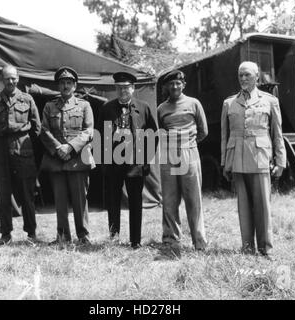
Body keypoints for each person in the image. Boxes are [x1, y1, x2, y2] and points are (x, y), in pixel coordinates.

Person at [221, 61, 286, 259]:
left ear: (257, 76)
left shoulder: (269, 101)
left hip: (260, 158)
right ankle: (247, 248)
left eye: (247, 75)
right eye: (240, 75)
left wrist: (281, 160)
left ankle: (266, 248)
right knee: (243, 206)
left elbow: (277, 133)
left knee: (263, 205)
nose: (243, 79)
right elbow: (224, 135)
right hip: (237, 159)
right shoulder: (229, 103)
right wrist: (225, 162)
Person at [97, 72, 158, 249]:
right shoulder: (107, 108)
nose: (123, 91)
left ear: (133, 88)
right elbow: (98, 136)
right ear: (115, 89)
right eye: (119, 87)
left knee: (135, 202)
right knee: (113, 200)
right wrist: (104, 161)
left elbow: (153, 136)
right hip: (113, 163)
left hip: (135, 163)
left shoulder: (144, 107)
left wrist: (145, 160)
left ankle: (135, 241)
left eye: (126, 87)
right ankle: (114, 238)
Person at [40, 66, 95, 246]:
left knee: (80, 200)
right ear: (58, 85)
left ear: (74, 85)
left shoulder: (84, 105)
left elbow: (89, 131)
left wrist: (70, 147)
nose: (65, 86)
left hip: (78, 160)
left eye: (69, 83)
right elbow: (44, 130)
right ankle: (63, 236)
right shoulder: (49, 106)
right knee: (60, 201)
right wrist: (58, 148)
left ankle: (83, 236)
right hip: (56, 160)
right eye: (62, 83)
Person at [0, 65, 41, 245]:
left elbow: (37, 129)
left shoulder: (27, 99)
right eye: (7, 78)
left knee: (27, 194)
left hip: (23, 150)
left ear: (18, 78)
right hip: (1, 151)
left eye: (13, 78)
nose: (10, 81)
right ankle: (5, 234)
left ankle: (31, 234)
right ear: (2, 79)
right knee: (3, 194)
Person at [157, 70, 208, 256]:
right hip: (169, 156)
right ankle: (171, 240)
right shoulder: (161, 108)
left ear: (183, 84)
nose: (175, 87)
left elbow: (203, 131)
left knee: (193, 198)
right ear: (166, 87)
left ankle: (199, 241)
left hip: (189, 153)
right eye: (171, 84)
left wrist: (187, 145)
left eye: (178, 83)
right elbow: (161, 131)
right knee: (169, 199)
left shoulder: (194, 104)